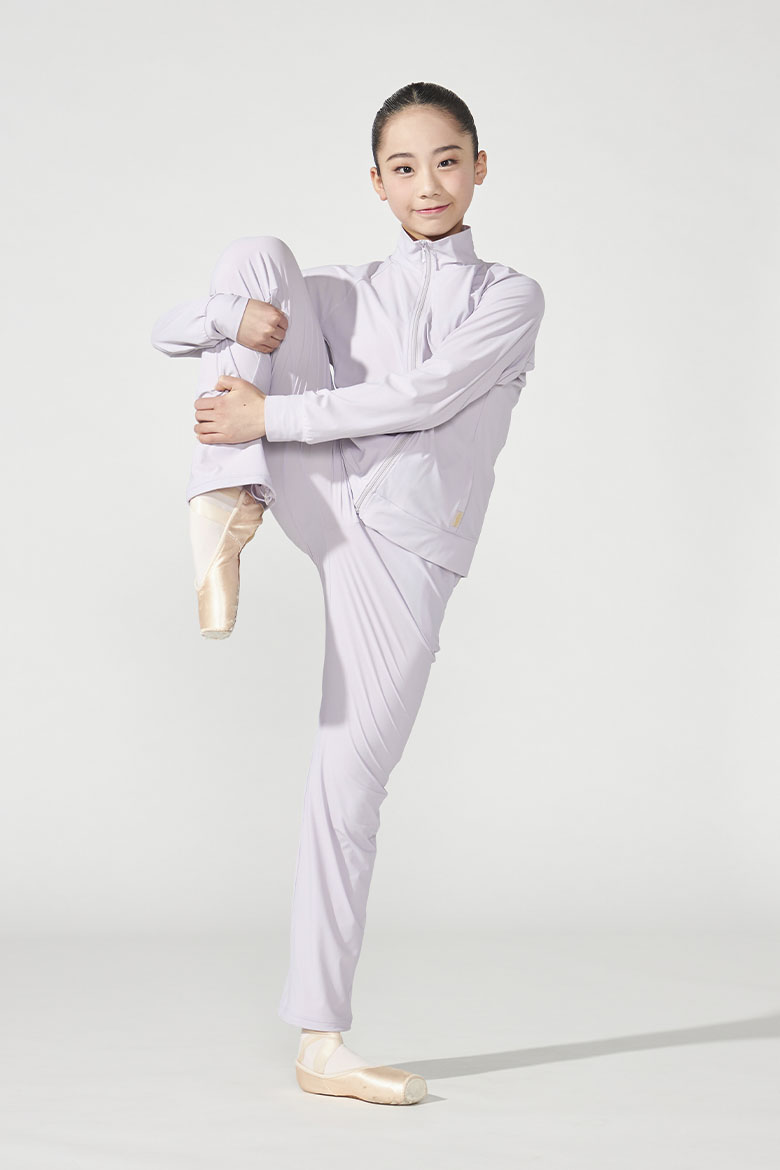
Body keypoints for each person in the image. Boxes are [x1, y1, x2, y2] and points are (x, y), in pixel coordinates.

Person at [150, 81, 545, 1106]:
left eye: (447, 161)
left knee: (347, 786)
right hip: (322, 493)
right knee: (258, 258)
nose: (428, 184)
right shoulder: (344, 288)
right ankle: (222, 501)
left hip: (407, 551)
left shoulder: (508, 296)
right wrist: (231, 319)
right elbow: (168, 331)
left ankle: (320, 1043)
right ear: (378, 182)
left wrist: (266, 421)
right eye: (404, 168)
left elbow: (425, 396)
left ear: (479, 167)